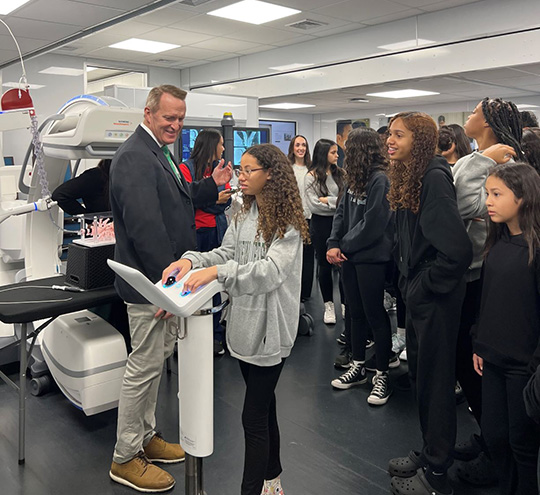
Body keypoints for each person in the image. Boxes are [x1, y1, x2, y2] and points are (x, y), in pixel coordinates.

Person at [162, 143, 309, 495]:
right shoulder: (243, 211)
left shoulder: (287, 220)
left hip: (270, 331)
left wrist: (218, 273)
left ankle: (253, 489)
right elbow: (227, 252)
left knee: (252, 417)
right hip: (243, 326)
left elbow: (270, 272)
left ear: (269, 175)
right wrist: (191, 261)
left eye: (247, 170)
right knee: (265, 406)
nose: (239, 176)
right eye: (240, 170)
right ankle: (273, 480)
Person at [108, 84, 232, 493]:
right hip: (152, 288)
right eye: (169, 118)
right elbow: (145, 229)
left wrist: (211, 185)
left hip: (162, 283)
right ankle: (125, 456)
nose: (176, 125)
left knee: (154, 366)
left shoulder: (157, 153)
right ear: (148, 114)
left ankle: (146, 437)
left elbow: (177, 199)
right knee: (142, 369)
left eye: (180, 119)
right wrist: (167, 290)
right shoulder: (133, 158)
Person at [385, 112, 472, 495]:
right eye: (389, 133)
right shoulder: (411, 175)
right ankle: (431, 452)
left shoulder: (434, 178)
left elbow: (456, 251)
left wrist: (422, 285)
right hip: (419, 294)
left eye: (398, 135)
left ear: (418, 141)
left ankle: (437, 472)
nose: (389, 140)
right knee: (423, 380)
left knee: (436, 385)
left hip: (434, 299)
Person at [452, 97, 523, 485]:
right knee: (468, 364)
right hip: (469, 271)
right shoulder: (478, 157)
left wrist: (481, 165)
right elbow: (455, 199)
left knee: (478, 365)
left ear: (490, 120)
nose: (469, 116)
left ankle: (500, 456)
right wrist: (477, 163)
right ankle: (489, 438)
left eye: (476, 111)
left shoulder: (504, 164)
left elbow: (463, 204)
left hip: (485, 276)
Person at [473, 162, 540, 495]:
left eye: (497, 194)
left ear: (524, 198)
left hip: (523, 366)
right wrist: (479, 344)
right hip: (493, 357)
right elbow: (489, 301)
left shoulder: (535, 250)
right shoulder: (496, 243)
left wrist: (534, 364)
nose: (488, 201)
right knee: (495, 435)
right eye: (488, 194)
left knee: (522, 443)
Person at [326, 128, 395, 405]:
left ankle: (382, 374)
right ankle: (358, 366)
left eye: (348, 148)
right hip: (349, 257)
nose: (344, 152)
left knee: (374, 313)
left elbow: (374, 224)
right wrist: (333, 242)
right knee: (353, 313)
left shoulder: (381, 180)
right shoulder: (353, 179)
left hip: (371, 258)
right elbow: (341, 213)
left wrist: (343, 246)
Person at [179, 128, 232, 356]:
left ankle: (215, 336)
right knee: (193, 283)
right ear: (211, 145)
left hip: (217, 230)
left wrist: (207, 200)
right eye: (220, 144)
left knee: (214, 284)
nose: (223, 148)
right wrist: (211, 198)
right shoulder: (185, 168)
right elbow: (187, 200)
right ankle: (192, 334)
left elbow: (225, 200)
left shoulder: (219, 169)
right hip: (196, 232)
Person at [305, 138, 345, 324]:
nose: (337, 156)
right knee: (324, 264)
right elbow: (314, 205)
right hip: (320, 225)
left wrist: (327, 200)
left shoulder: (341, 174)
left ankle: (345, 304)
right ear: (323, 154)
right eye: (333, 152)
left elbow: (344, 202)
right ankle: (328, 305)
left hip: (340, 224)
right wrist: (335, 202)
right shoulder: (311, 176)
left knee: (343, 264)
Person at [288, 134, 314, 301]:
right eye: (297, 145)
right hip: (292, 218)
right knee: (292, 255)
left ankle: (305, 292)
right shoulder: (287, 169)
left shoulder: (312, 170)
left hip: (310, 217)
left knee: (308, 257)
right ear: (292, 148)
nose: (300, 148)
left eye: (303, 145)